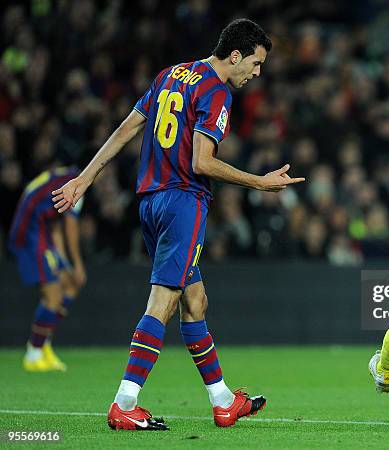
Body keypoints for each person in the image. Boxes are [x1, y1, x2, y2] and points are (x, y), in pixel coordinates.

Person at [52, 18, 304, 431]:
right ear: (235, 55)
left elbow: (126, 128)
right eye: (256, 64)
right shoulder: (217, 91)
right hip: (183, 202)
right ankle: (125, 403)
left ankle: (223, 401)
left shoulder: (171, 75)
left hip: (151, 202)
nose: (257, 74)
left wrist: (85, 177)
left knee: (195, 300)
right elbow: (201, 162)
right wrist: (258, 182)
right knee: (164, 302)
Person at [8, 164, 86, 372]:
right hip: (30, 233)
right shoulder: (78, 183)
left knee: (69, 285)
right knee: (53, 295)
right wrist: (78, 265)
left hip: (42, 232)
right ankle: (33, 353)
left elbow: (56, 224)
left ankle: (44, 345)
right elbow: (70, 226)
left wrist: (65, 264)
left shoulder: (64, 176)